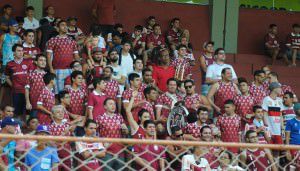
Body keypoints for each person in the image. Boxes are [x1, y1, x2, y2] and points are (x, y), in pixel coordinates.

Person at [46, 20, 79, 93]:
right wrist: (51, 69)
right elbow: (48, 56)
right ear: (57, 28)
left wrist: (78, 68)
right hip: (57, 70)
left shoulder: (72, 41)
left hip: (70, 70)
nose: (65, 26)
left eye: (66, 25)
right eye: (62, 25)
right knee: (58, 93)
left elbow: (76, 56)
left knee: (71, 93)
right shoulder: (52, 40)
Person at [95, 98, 128, 171]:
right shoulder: (99, 118)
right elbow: (94, 134)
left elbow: (126, 132)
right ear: (105, 107)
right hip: (106, 152)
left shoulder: (119, 116)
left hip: (119, 151)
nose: (113, 106)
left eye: (114, 104)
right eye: (110, 104)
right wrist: (101, 143)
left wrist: (125, 129)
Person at [5, 44, 33, 122]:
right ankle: (18, 128)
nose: (21, 52)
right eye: (18, 51)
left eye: (22, 51)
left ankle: (28, 128)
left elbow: (32, 77)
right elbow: (6, 77)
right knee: (17, 112)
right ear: (14, 52)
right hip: (16, 91)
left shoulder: (29, 62)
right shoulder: (9, 64)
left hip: (29, 91)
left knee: (29, 111)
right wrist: (13, 85)